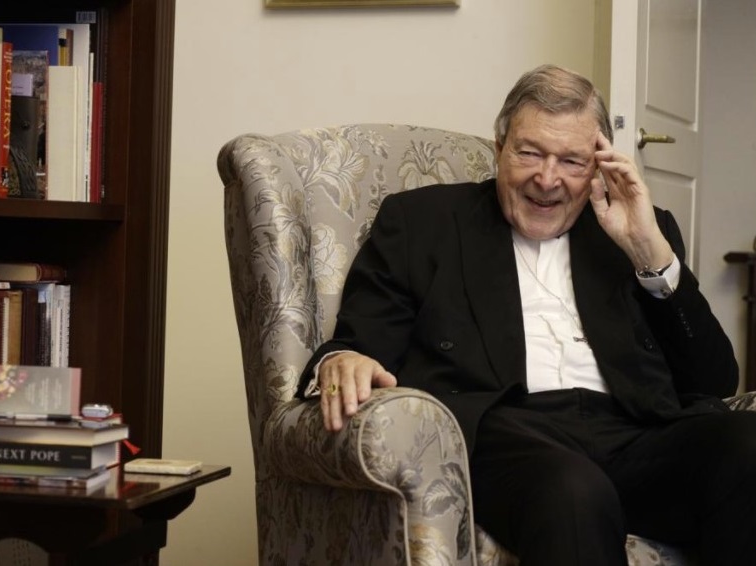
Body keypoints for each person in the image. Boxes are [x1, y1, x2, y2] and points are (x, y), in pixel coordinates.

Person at [296, 64, 756, 565]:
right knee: (575, 490)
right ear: (499, 148)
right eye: (530, 152)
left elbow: (713, 381)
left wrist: (650, 252)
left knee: (747, 445)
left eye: (572, 161)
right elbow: (360, 344)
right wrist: (340, 360)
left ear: (598, 166)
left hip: (632, 432)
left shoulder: (640, 232)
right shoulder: (422, 223)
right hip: (509, 435)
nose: (547, 178)